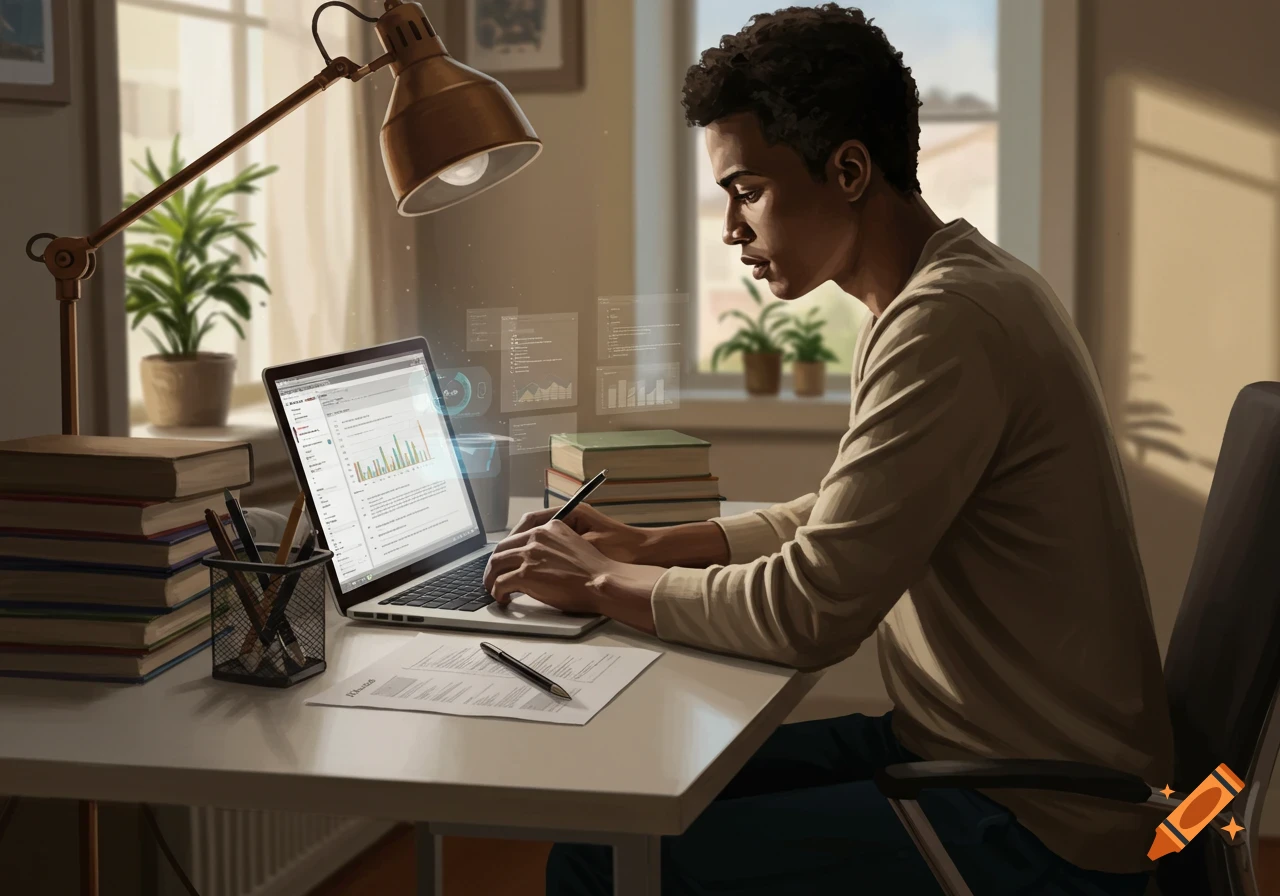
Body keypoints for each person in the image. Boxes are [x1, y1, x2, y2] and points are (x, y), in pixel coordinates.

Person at [482, 5, 1174, 894]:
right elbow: (847, 512)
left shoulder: (945, 322)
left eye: (747, 190)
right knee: (634, 803)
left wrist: (595, 583)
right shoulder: (939, 293)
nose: (732, 229)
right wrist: (654, 546)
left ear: (848, 168)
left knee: (603, 860)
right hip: (975, 750)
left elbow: (810, 612)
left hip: (1034, 816)